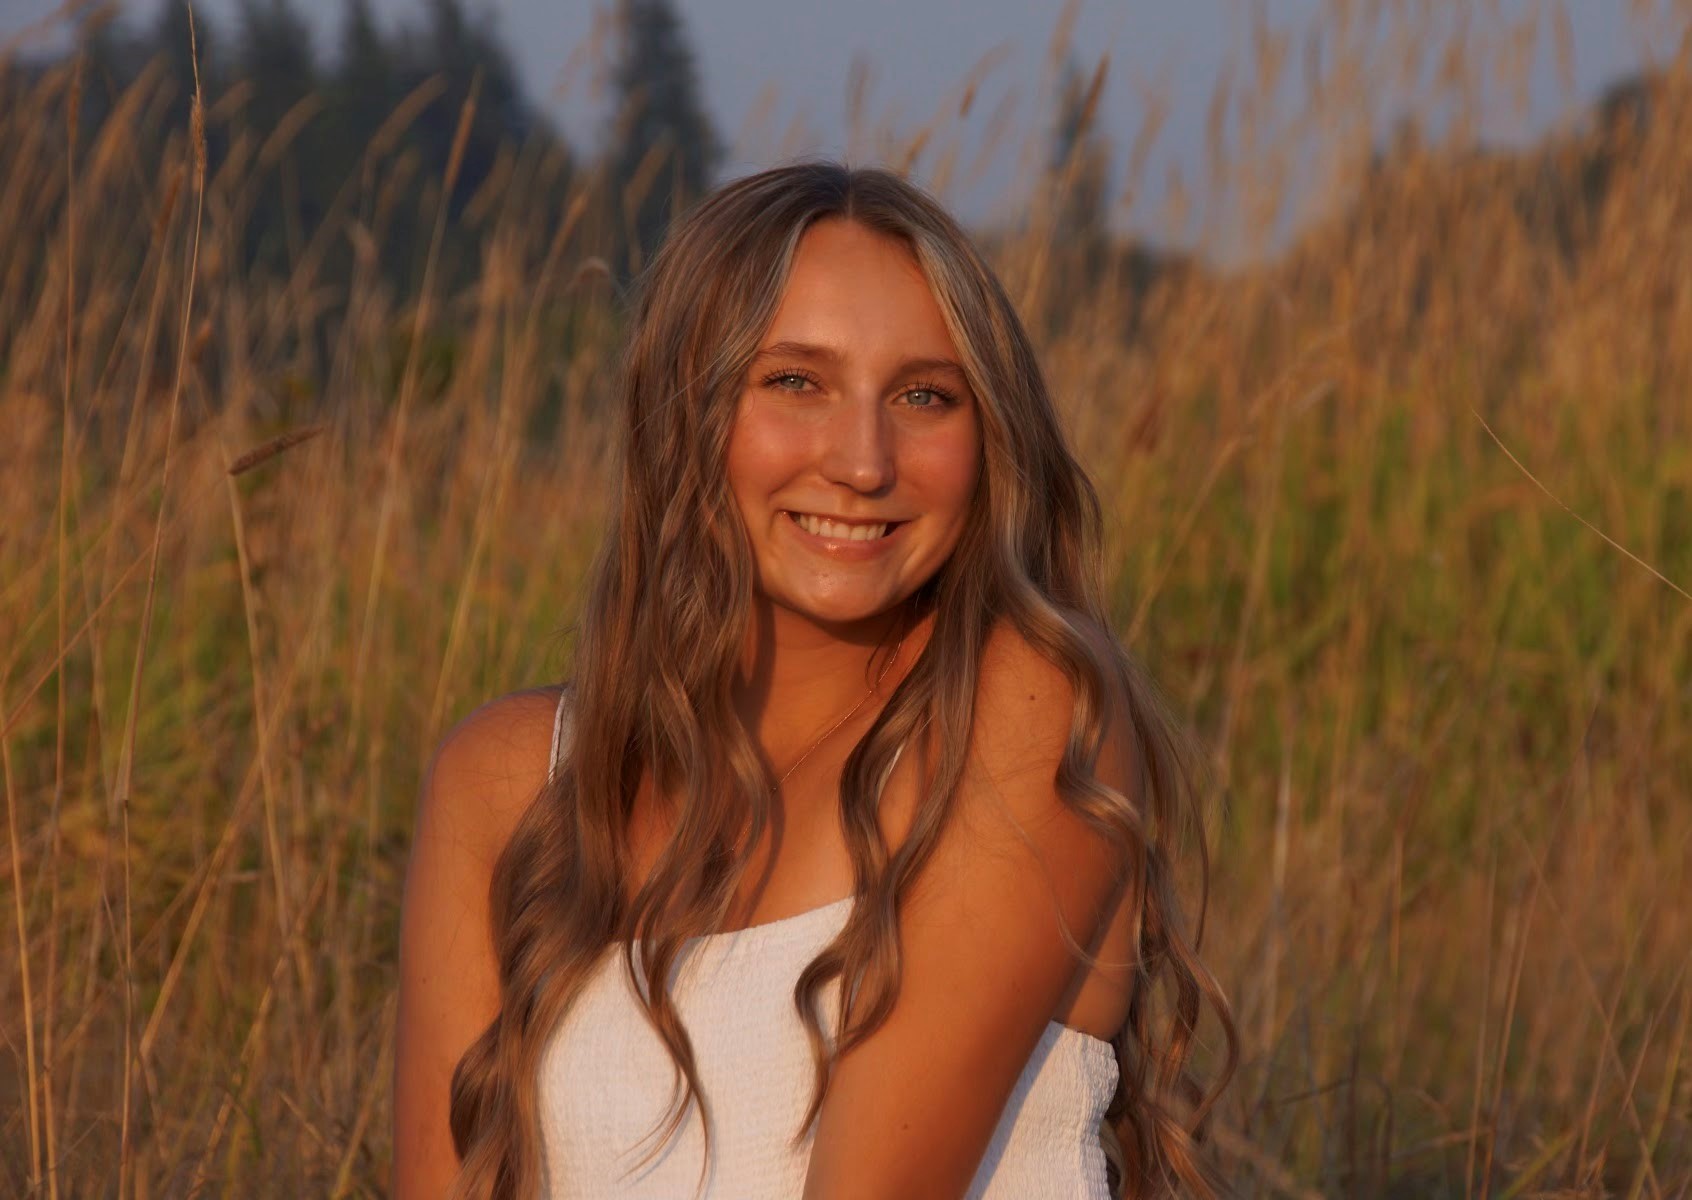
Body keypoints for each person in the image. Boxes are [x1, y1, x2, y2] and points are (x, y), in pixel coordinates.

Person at [393, 160, 1235, 1199]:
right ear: (684, 414)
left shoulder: (1025, 705)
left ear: (989, 440)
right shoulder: (508, 781)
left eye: (926, 396)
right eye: (796, 381)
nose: (865, 460)